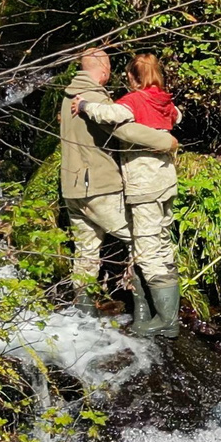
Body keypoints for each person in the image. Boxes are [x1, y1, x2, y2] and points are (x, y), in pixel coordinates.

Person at [75, 53, 181, 337]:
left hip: (145, 183)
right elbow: (177, 116)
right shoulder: (164, 100)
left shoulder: (135, 100)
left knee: (147, 251)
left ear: (134, 78)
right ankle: (163, 316)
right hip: (166, 180)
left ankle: (167, 321)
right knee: (160, 242)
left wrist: (85, 105)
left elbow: (111, 114)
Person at [55, 48, 130, 315]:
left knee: (86, 249)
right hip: (98, 185)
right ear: (104, 71)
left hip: (71, 186)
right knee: (137, 237)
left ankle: (84, 311)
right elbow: (126, 131)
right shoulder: (96, 100)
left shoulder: (66, 97)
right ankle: (145, 304)